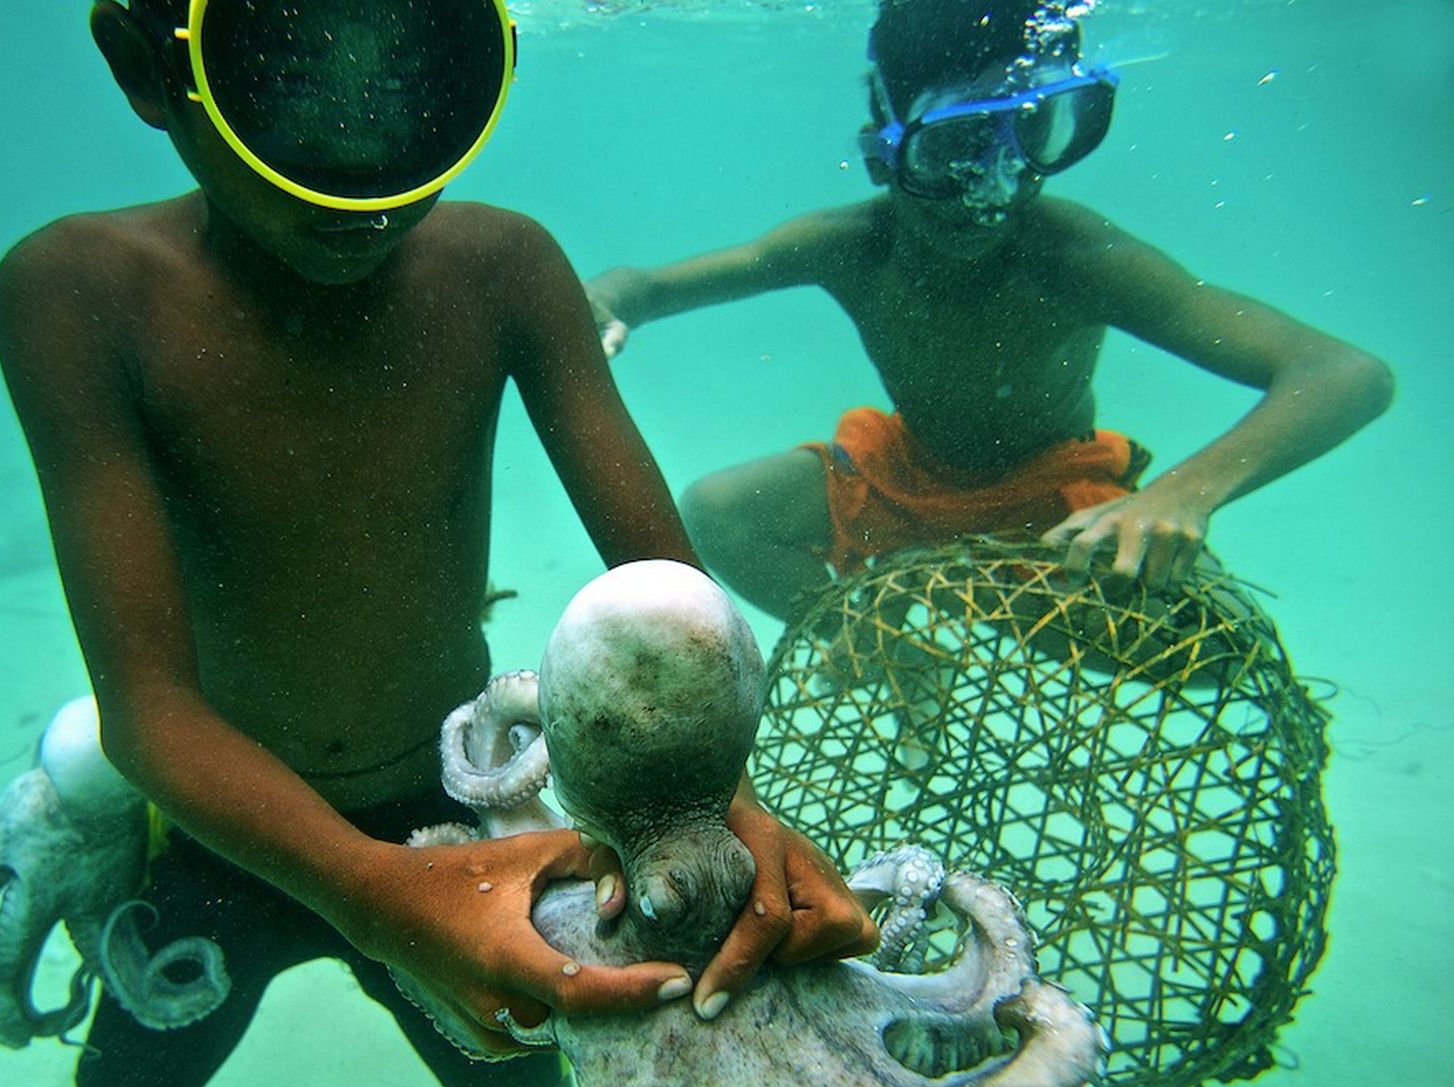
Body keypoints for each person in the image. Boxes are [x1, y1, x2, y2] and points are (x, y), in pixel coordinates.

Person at [0, 0, 874, 1087]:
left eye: (409, 88)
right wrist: (366, 890)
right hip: (220, 821)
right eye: (296, 84)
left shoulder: (500, 265)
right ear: (148, 64)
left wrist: (714, 801)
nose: (364, 176)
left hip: (454, 802)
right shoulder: (78, 293)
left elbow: (663, 594)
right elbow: (147, 707)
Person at [586, 0, 1393, 622]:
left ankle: (934, 621)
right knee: (720, 513)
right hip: (903, 479)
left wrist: (1181, 492)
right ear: (883, 150)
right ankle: (878, 642)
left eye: (1032, 137)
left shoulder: (1073, 255)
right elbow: (646, 287)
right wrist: (607, 300)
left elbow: (1345, 374)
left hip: (1053, 512)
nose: (994, 186)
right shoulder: (847, 245)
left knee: (1208, 652)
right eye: (953, 148)